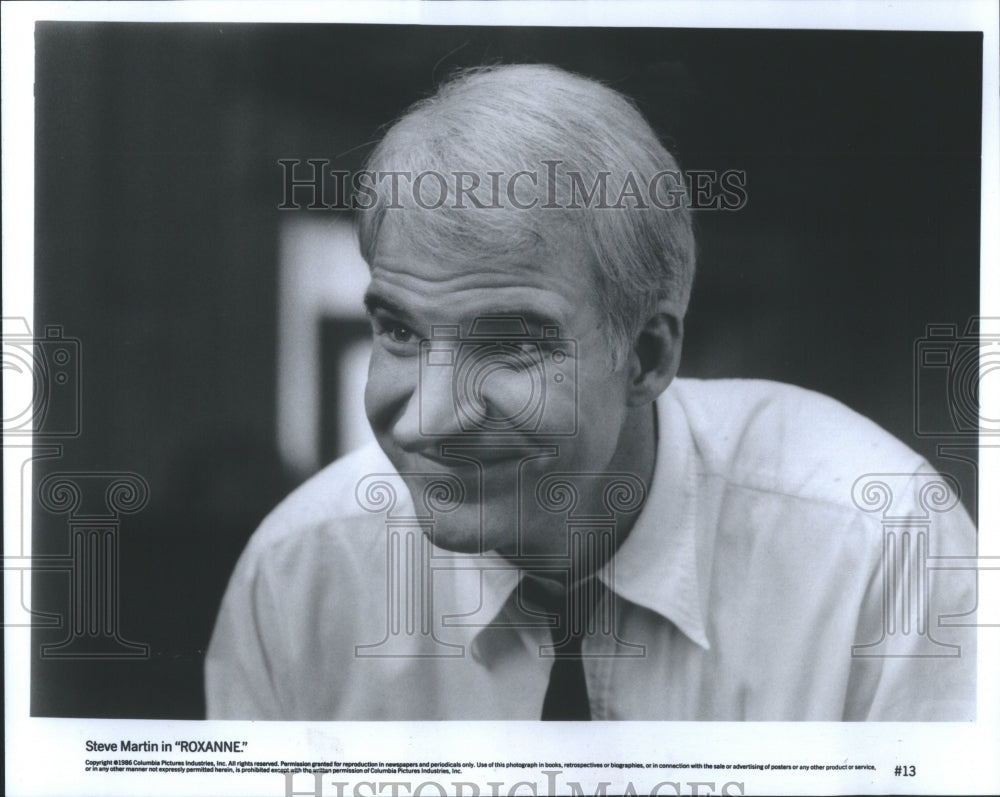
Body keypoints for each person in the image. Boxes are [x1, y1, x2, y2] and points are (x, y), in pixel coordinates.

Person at [205, 64, 976, 720]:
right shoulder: (298, 578)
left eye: (508, 344)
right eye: (400, 331)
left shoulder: (882, 548)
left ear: (645, 355)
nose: (429, 421)